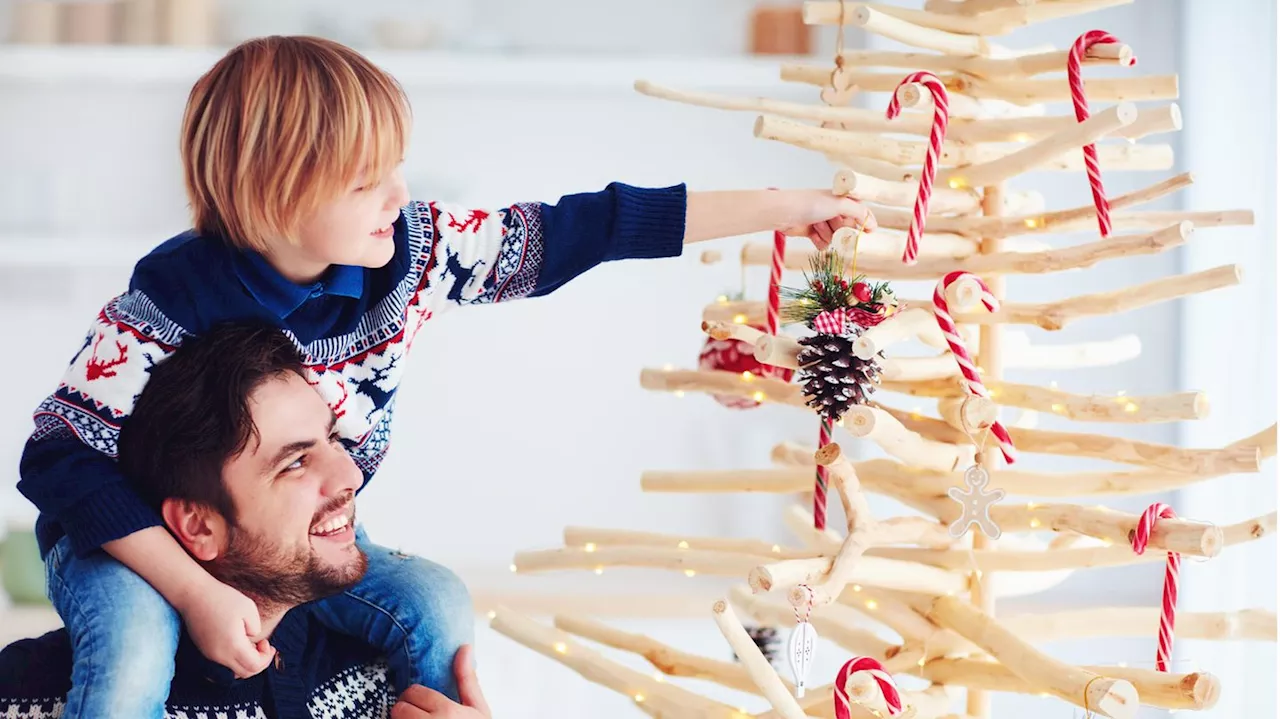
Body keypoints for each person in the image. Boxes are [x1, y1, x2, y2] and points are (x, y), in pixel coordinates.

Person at [14, 34, 879, 719]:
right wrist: (193, 589)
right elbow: (56, 460)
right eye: (365, 181)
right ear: (275, 195)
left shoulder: (414, 256)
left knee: (431, 598)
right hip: (140, 546)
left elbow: (587, 227)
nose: (398, 194)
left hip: (284, 547)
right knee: (131, 655)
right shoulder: (171, 297)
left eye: (398, 167)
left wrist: (782, 210)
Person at [0, 321, 489, 719]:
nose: (350, 476)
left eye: (333, 440)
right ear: (198, 526)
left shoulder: (401, 671)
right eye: (294, 462)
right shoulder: (35, 696)